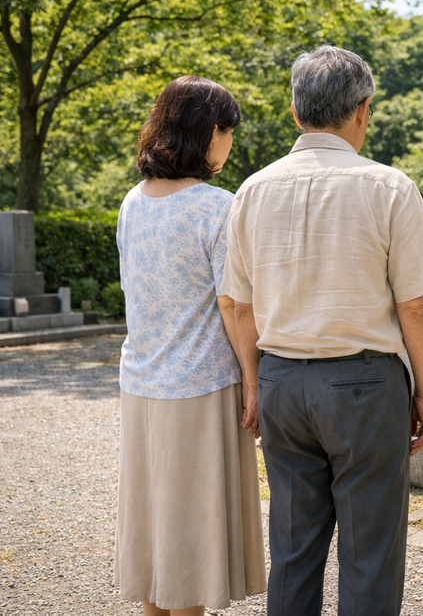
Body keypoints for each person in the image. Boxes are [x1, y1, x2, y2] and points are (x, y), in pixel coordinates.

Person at [223, 45, 423, 616]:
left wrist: (254, 383)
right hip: (364, 387)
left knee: (293, 547)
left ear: (296, 112)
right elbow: (416, 304)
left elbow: (237, 304)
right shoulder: (389, 187)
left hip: (280, 383)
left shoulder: (252, 190)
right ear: (363, 110)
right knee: (370, 547)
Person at [114, 75, 266, 616]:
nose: (230, 144)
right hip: (201, 385)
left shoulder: (133, 202)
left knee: (155, 523)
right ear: (208, 134)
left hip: (142, 383)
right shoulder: (215, 206)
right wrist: (253, 379)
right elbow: (235, 306)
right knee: (192, 530)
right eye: (227, 131)